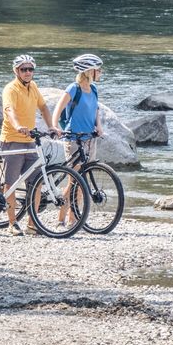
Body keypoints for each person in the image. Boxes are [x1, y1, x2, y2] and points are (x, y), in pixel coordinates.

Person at [0, 54, 59, 236]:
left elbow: (43, 107)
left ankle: (32, 224)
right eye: (23, 69)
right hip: (12, 140)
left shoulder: (33, 87)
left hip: (30, 141)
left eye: (30, 69)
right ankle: (12, 223)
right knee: (10, 183)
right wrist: (17, 126)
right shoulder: (10, 89)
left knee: (36, 183)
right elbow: (9, 110)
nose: (27, 72)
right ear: (16, 71)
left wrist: (52, 126)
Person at [50, 53, 104, 227]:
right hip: (74, 139)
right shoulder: (74, 88)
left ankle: (72, 219)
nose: (101, 72)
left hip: (89, 139)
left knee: (82, 181)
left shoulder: (94, 89)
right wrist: (54, 126)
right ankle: (64, 219)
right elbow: (59, 108)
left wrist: (99, 126)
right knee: (75, 181)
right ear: (89, 71)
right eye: (98, 69)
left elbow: (95, 110)